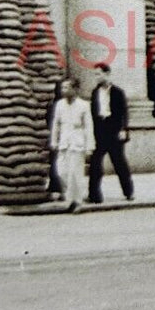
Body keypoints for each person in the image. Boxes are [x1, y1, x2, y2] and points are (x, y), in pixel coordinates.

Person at [87, 63, 134, 204]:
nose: (97, 77)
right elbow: (93, 112)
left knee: (119, 162)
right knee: (95, 164)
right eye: (95, 74)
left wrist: (123, 129)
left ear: (107, 74)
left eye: (99, 74)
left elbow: (124, 112)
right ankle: (94, 195)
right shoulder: (95, 92)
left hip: (113, 129)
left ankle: (128, 192)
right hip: (100, 129)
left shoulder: (117, 92)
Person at [49, 76, 95, 213]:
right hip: (64, 141)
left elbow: (88, 126)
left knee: (75, 174)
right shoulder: (59, 105)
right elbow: (55, 124)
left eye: (67, 87)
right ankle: (70, 197)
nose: (64, 90)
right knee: (62, 171)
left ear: (75, 89)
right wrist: (53, 140)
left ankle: (76, 201)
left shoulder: (84, 105)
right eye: (62, 88)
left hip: (77, 142)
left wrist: (89, 147)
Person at [45, 80, 64, 202]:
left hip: (55, 137)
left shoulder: (52, 105)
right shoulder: (60, 105)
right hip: (60, 137)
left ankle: (55, 187)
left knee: (55, 164)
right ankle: (59, 187)